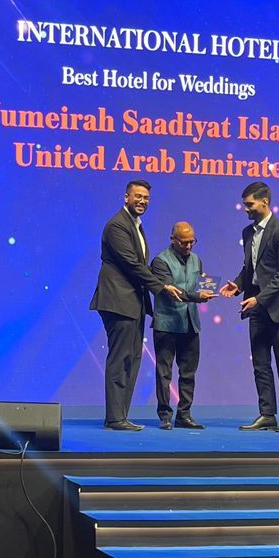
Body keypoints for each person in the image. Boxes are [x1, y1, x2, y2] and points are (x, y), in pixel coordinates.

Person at [90, 180, 183, 431]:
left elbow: (140, 265)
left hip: (132, 302)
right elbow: (132, 265)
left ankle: (119, 416)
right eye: (138, 196)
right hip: (118, 301)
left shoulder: (135, 224)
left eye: (146, 198)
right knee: (120, 359)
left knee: (131, 359)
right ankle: (115, 418)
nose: (142, 201)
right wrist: (161, 287)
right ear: (126, 197)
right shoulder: (117, 225)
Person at [219, 181, 279, 433]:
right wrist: (237, 285)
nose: (246, 209)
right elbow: (251, 267)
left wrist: (259, 299)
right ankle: (267, 414)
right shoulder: (248, 232)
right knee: (260, 364)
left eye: (250, 204)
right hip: (256, 306)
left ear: (264, 202)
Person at [150, 222, 214, 429]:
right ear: (172, 240)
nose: (188, 246)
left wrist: (207, 290)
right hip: (167, 324)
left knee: (188, 372)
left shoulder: (196, 260)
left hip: (190, 323)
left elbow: (198, 286)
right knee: (164, 372)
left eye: (192, 242)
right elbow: (173, 292)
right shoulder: (160, 261)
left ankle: (184, 415)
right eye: (184, 242)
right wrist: (197, 296)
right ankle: (165, 415)